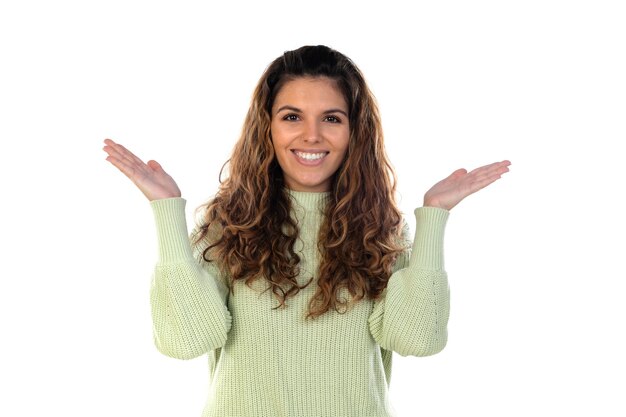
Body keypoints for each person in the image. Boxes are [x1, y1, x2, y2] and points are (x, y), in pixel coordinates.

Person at [103, 45, 510, 417]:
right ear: (268, 127)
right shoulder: (229, 225)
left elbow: (417, 340)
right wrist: (166, 211)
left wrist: (434, 216)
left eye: (331, 118)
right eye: (292, 117)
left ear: (354, 132)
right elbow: (185, 340)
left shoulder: (382, 229)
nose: (311, 135)